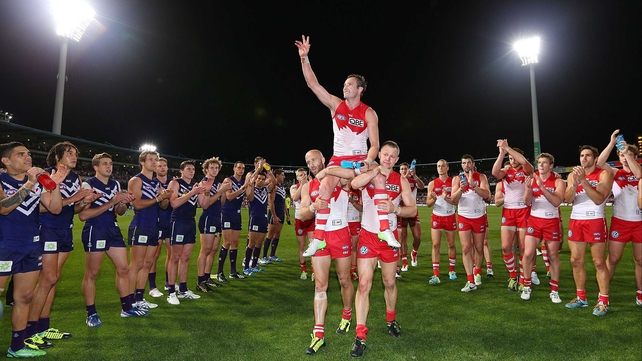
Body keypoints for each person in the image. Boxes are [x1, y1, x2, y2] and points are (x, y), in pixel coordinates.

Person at [295, 35, 399, 257]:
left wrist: (368, 162)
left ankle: (384, 230)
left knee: (379, 177)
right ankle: (319, 239)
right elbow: (313, 84)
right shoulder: (336, 105)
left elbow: (375, 145)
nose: (345, 87)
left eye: (349, 84)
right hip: (338, 158)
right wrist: (305, 59)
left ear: (360, 89)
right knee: (324, 187)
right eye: (344, 84)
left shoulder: (369, 112)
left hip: (361, 158)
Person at [349, 141, 417, 358]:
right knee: (364, 283)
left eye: (392, 156)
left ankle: (391, 319)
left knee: (389, 282)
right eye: (384, 154)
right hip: (368, 235)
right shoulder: (371, 170)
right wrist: (375, 170)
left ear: (397, 160)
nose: (387, 158)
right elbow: (354, 183)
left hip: (390, 239)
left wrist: (395, 209)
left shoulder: (401, 180)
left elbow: (412, 209)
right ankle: (360, 335)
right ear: (379, 154)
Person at [0, 142, 67, 357]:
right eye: (21, 154)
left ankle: (17, 347)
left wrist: (54, 186)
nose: (28, 157)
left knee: (24, 297)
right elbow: (4, 208)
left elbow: (55, 209)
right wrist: (29, 184)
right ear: (6, 161)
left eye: (28, 153)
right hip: (4, 245)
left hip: (30, 245)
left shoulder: (38, 183)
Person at [26, 142, 94, 346]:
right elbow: (40, 208)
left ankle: (44, 328)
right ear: (57, 157)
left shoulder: (75, 178)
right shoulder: (46, 175)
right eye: (69, 153)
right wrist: (74, 197)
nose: (74, 157)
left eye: (75, 153)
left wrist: (83, 202)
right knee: (48, 279)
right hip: (47, 229)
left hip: (65, 230)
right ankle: (31, 331)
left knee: (53, 280)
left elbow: (71, 209)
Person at [79, 152, 148, 328]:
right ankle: (91, 314)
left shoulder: (115, 183)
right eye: (104, 164)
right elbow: (83, 215)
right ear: (95, 167)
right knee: (92, 273)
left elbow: (120, 211)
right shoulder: (88, 184)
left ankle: (126, 308)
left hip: (113, 229)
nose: (109, 167)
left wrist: (124, 202)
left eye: (110, 163)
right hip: (96, 230)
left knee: (124, 269)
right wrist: (112, 202)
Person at [298, 149, 355, 355]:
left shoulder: (336, 176)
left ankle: (347, 315)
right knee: (320, 285)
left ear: (323, 159)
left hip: (340, 234)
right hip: (319, 239)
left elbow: (352, 176)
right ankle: (318, 334)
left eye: (314, 159)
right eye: (308, 162)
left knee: (344, 280)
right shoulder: (307, 187)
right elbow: (303, 214)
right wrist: (313, 206)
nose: (312, 164)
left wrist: (328, 171)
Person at [564, 145, 614, 316]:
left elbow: (599, 199)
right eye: (582, 155)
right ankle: (581, 297)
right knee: (575, 261)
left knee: (599, 262)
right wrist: (574, 183)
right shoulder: (572, 175)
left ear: (595, 158)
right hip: (576, 219)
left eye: (588, 155)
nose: (584, 158)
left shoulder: (604, 174)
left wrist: (584, 181)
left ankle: (603, 301)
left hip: (595, 220)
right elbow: (568, 199)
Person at [597, 130, 642, 307]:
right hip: (620, 222)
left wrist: (628, 154)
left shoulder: (639, 172)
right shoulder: (616, 173)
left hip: (639, 223)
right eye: (622, 155)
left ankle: (640, 294)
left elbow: (638, 174)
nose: (624, 158)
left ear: (635, 156)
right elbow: (600, 163)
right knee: (613, 259)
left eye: (628, 155)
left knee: (640, 260)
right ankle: (603, 294)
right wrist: (612, 143)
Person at [127, 150, 172, 309]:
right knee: (136, 265)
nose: (154, 162)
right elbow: (137, 204)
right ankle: (129, 301)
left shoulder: (155, 183)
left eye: (156, 160)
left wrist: (165, 198)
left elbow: (163, 206)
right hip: (141, 225)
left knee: (147, 263)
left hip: (154, 226)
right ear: (142, 162)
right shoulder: (136, 180)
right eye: (151, 160)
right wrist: (159, 198)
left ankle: (139, 298)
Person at [521, 153, 566, 302]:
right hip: (534, 220)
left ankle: (554, 290)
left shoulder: (558, 181)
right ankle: (527, 286)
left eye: (544, 162)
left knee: (553, 256)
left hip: (551, 221)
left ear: (551, 165)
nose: (541, 165)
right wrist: (528, 189)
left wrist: (542, 187)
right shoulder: (532, 179)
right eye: (539, 162)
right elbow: (527, 202)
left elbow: (556, 202)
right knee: (528, 254)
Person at [491, 140, 534, 292]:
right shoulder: (506, 172)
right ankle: (513, 275)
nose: (513, 161)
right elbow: (495, 173)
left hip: (524, 211)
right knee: (505, 247)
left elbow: (525, 162)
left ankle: (523, 278)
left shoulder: (527, 170)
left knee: (523, 248)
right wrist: (502, 153)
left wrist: (508, 148)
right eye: (510, 159)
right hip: (509, 212)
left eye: (514, 157)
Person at [165, 160, 209, 305]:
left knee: (186, 257)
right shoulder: (176, 183)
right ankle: (171, 291)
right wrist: (193, 192)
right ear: (181, 171)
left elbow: (204, 205)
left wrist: (205, 191)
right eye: (188, 169)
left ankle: (183, 290)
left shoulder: (195, 186)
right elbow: (174, 203)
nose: (191, 171)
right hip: (178, 222)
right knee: (175, 257)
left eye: (193, 169)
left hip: (190, 222)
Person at [451, 154, 490, 292]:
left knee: (479, 248)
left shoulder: (481, 177)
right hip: (463, 217)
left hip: (479, 216)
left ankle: (477, 271)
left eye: (468, 162)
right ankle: (470, 280)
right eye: (464, 163)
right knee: (466, 248)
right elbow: (453, 199)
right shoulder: (457, 179)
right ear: (461, 165)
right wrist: (461, 189)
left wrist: (474, 186)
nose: (466, 165)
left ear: (473, 164)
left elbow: (487, 195)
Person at [195, 157, 230, 293]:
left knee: (213, 250)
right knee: (205, 250)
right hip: (208, 218)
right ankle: (200, 281)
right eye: (212, 168)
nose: (215, 170)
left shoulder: (216, 183)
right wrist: (221, 190)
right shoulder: (204, 183)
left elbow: (220, 203)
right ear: (206, 169)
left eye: (216, 168)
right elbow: (206, 204)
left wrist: (225, 191)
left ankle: (207, 277)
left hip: (216, 218)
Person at [216, 161, 251, 282]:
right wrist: (242, 188)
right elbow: (229, 197)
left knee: (235, 242)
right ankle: (220, 272)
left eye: (243, 168)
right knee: (227, 242)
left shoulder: (243, 182)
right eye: (239, 168)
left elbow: (249, 196)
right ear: (234, 168)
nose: (241, 170)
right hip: (227, 214)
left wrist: (248, 186)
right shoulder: (228, 180)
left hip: (237, 214)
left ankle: (233, 271)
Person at [425, 159, 458, 284]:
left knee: (451, 244)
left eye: (443, 166)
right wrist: (433, 200)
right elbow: (428, 204)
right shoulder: (433, 183)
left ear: (447, 167)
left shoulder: (453, 182)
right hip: (437, 216)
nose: (440, 168)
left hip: (449, 216)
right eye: (438, 166)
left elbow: (456, 201)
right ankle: (436, 274)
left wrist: (446, 198)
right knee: (435, 245)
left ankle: (451, 270)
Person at [243, 169, 275, 276]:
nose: (260, 181)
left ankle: (254, 265)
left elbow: (274, 183)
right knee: (251, 243)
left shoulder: (266, 189)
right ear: (255, 179)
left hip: (263, 218)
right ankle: (246, 267)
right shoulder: (252, 189)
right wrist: (251, 183)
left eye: (262, 179)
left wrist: (270, 173)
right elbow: (250, 198)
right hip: (255, 218)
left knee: (259, 243)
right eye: (259, 179)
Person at [149, 157, 172, 298]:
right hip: (156, 221)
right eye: (159, 166)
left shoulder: (173, 183)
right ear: (155, 168)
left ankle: (168, 282)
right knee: (154, 255)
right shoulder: (152, 183)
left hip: (171, 221)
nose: (162, 168)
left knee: (172, 254)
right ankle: (152, 287)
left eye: (164, 165)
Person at [398, 162, 425, 272]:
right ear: (399, 171)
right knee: (403, 238)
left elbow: (422, 186)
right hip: (402, 211)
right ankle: (404, 262)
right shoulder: (398, 181)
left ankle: (414, 252)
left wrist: (414, 175)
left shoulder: (413, 180)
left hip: (413, 211)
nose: (404, 170)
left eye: (405, 168)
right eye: (402, 169)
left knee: (417, 236)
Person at [291, 168, 315, 280]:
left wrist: (309, 184)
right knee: (302, 246)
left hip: (311, 218)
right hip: (299, 220)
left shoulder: (312, 186)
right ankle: (304, 270)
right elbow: (295, 197)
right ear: (297, 177)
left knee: (312, 245)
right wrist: (303, 185)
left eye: (304, 174)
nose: (303, 176)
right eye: (300, 175)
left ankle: (314, 270)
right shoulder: (294, 187)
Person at [261, 169, 288, 264]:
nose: (284, 177)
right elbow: (271, 202)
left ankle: (272, 255)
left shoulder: (282, 187)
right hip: (274, 214)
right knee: (270, 235)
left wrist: (287, 214)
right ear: (277, 176)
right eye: (282, 175)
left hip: (281, 213)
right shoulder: (274, 186)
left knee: (277, 234)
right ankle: (264, 256)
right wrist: (274, 215)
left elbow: (284, 202)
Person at [347, 187, 362, 280]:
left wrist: (352, 201)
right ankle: (344, 270)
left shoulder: (359, 192)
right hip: (343, 222)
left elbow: (362, 208)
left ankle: (352, 271)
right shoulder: (342, 190)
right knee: (344, 248)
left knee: (354, 247)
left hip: (355, 222)